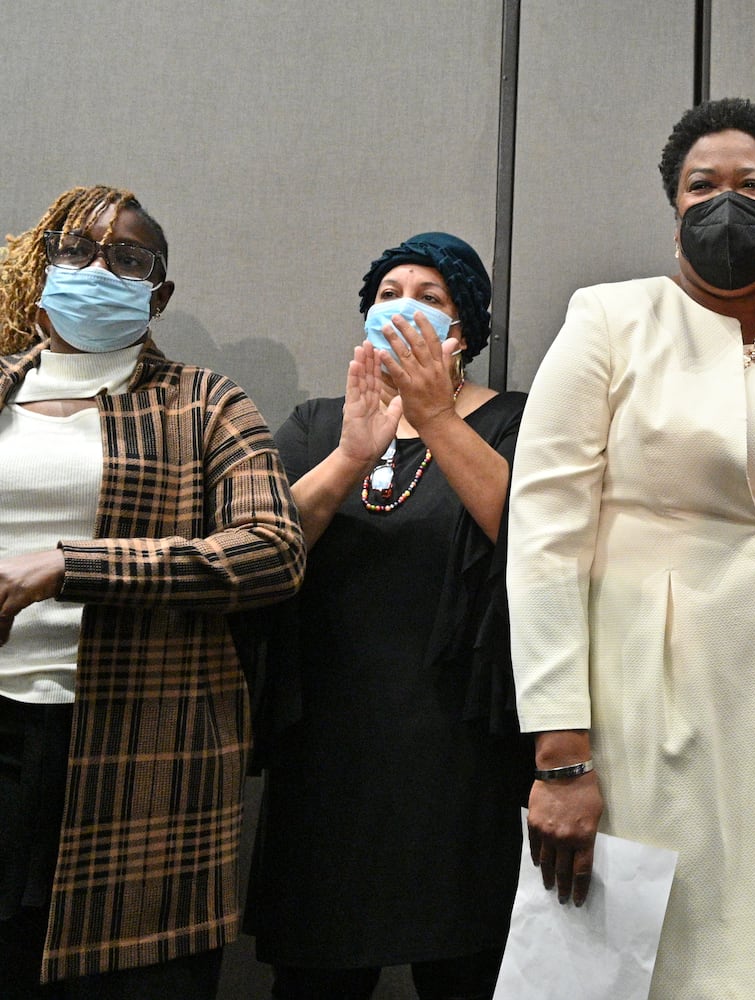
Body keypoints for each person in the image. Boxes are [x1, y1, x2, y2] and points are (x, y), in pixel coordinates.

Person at [506, 98, 755, 999]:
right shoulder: (610, 319)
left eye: (753, 186)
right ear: (673, 213)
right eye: (703, 186)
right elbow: (543, 538)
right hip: (644, 710)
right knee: (654, 969)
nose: (726, 203)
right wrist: (560, 755)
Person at [0, 185, 304, 996]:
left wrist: (69, 566)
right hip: (3, 732)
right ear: (45, 267)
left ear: (158, 293)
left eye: (128, 259)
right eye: (77, 251)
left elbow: (272, 549)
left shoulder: (204, 401)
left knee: (136, 975)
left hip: (144, 745)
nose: (98, 269)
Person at [244, 232, 531, 1000]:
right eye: (388, 295)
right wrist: (350, 455)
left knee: (465, 970)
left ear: (464, 329)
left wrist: (434, 417)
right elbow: (265, 550)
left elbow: (530, 536)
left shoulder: (515, 421)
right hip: (328, 756)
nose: (404, 308)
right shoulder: (316, 424)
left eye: (430, 298)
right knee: (316, 978)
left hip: (461, 755)